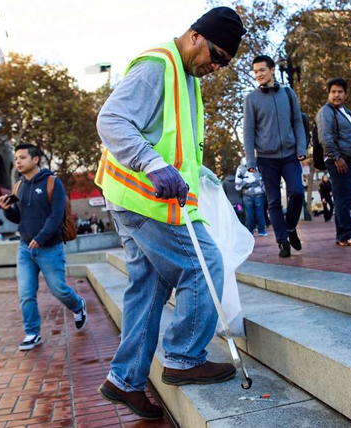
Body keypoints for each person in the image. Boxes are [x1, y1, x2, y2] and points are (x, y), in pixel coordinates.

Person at [94, 7, 246, 420]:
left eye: (225, 64)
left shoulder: (185, 77)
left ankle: (124, 380)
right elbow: (111, 120)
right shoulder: (157, 66)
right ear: (196, 36)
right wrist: (152, 164)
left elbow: (173, 143)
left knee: (148, 287)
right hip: (145, 197)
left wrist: (199, 174)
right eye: (216, 55)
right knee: (203, 264)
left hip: (136, 196)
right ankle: (183, 358)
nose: (216, 66)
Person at [0, 143, 88, 352]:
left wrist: (40, 237)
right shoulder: (18, 186)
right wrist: (6, 210)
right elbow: (18, 217)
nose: (18, 162)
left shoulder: (52, 182)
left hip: (49, 248)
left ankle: (78, 306)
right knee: (26, 293)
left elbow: (56, 215)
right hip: (25, 249)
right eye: (16, 159)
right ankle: (32, 333)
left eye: (22, 158)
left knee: (59, 290)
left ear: (35, 159)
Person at [243, 55, 307, 258]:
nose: (259, 74)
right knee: (273, 202)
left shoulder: (288, 93)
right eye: (255, 72)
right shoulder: (251, 99)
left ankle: (290, 227)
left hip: (289, 154)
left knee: (297, 192)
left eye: (262, 70)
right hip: (266, 158)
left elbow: (297, 122)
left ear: (272, 70)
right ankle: (282, 242)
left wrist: (301, 148)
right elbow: (249, 131)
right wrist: (251, 161)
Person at [315, 77, 351, 246]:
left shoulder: (346, 112)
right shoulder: (326, 111)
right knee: (342, 199)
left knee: (345, 198)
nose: (336, 95)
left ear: (345, 94)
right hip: (340, 161)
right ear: (328, 94)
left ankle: (343, 235)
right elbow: (326, 137)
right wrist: (336, 158)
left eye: (340, 92)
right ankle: (346, 234)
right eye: (333, 92)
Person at [235, 157, 267, 236]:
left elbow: (238, 183)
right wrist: (264, 190)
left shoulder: (241, 168)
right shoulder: (258, 166)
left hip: (246, 193)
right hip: (258, 192)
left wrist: (242, 186)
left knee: (249, 213)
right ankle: (261, 230)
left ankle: (250, 231)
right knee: (260, 212)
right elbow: (263, 180)